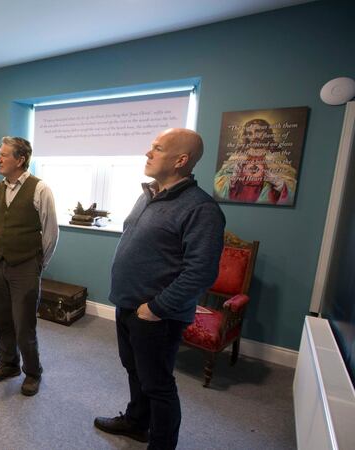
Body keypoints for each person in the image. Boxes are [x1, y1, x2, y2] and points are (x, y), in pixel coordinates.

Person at [94, 128, 225, 449]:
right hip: (128, 305)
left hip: (157, 315)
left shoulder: (201, 209)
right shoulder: (149, 194)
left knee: (158, 384)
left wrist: (155, 308)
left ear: (181, 160)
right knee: (134, 370)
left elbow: (201, 272)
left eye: (157, 148)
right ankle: (137, 422)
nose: (147, 153)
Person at [0, 136, 59, 397]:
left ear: (20, 159)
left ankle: (33, 372)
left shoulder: (40, 190)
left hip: (25, 266)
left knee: (24, 324)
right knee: (1, 319)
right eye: (0, 154)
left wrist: (38, 264)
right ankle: (8, 364)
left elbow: (50, 233)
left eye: (4, 154)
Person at [213, 118, 295, 205]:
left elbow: (290, 184)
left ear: (266, 132)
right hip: (237, 199)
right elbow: (219, 180)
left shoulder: (277, 156)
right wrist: (232, 179)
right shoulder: (238, 155)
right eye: (249, 133)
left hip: (264, 200)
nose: (254, 136)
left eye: (258, 131)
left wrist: (280, 184)